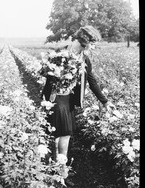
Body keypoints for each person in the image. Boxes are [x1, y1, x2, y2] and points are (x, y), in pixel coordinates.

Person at [41, 25, 114, 171]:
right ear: (85, 41)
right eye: (92, 43)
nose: (94, 47)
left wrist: (105, 101)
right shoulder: (60, 54)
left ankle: (60, 168)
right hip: (55, 98)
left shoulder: (84, 59)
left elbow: (91, 80)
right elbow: (46, 75)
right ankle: (56, 168)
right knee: (57, 134)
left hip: (68, 101)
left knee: (65, 133)